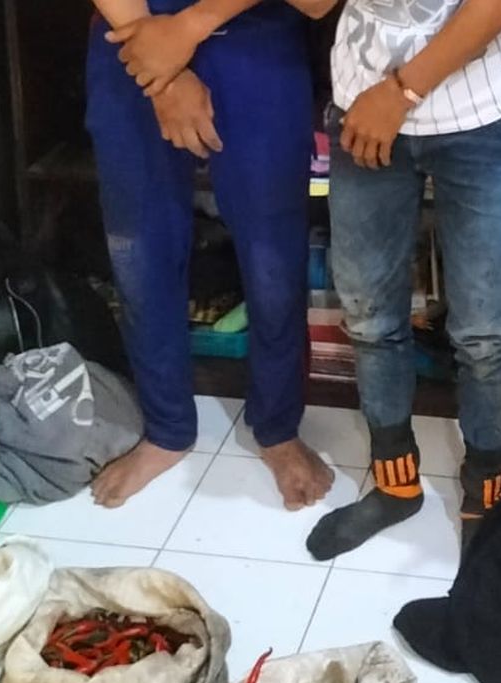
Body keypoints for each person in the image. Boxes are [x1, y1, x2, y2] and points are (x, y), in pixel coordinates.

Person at [290, 0, 501, 560]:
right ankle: (395, 485)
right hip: (362, 111)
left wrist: (400, 93)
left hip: (479, 117)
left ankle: (485, 493)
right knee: (371, 319)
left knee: (483, 332)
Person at [85, 0, 336, 510]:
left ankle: (278, 426)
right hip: (130, 34)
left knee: (273, 256)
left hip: (254, 40)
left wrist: (189, 29)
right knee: (140, 250)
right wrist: (163, 73)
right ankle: (166, 427)